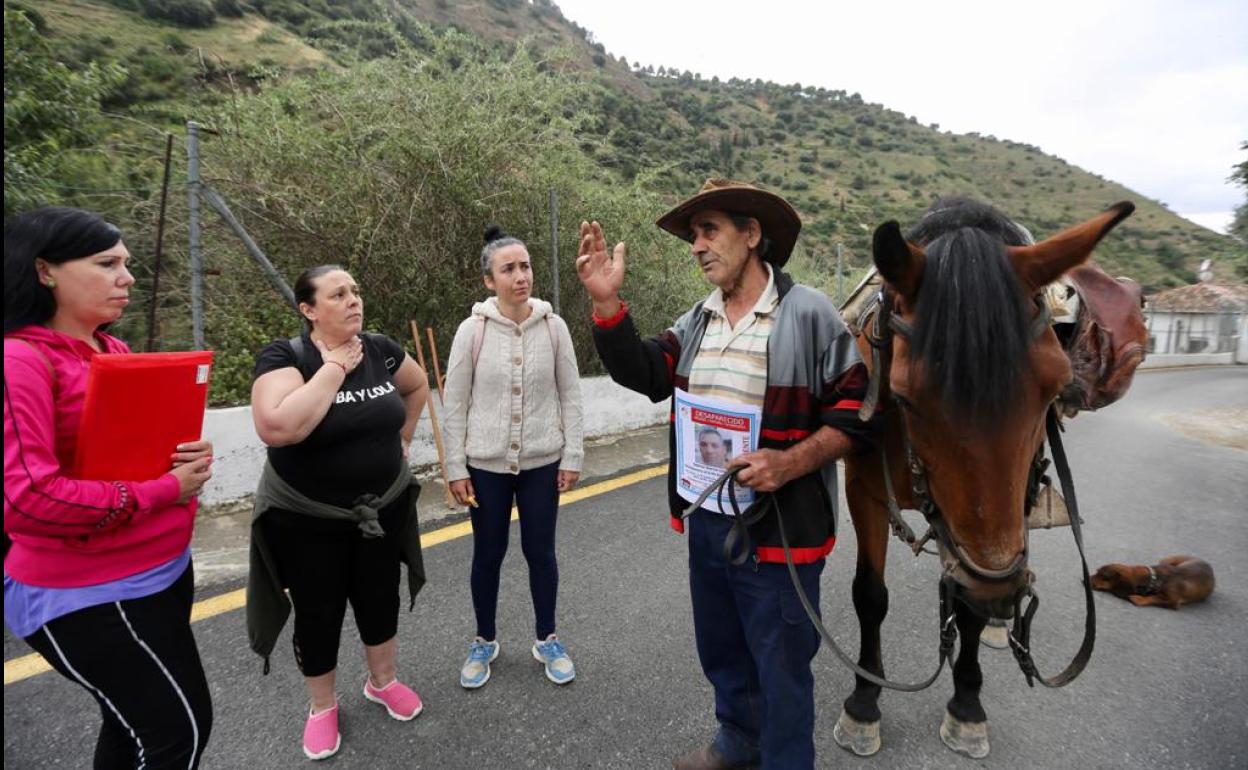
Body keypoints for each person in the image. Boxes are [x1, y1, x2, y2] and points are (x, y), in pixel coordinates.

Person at [575, 179, 875, 770]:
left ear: (752, 234)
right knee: (722, 649)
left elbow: (857, 414)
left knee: (782, 667)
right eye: (694, 235)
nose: (697, 246)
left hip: (780, 532)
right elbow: (648, 372)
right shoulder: (699, 320)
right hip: (709, 522)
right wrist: (607, 304)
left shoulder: (808, 312)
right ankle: (738, 741)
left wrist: (788, 463)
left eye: (709, 230)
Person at [3, 206, 215, 769]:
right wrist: (162, 491)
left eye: (126, 263)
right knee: (179, 733)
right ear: (44, 270)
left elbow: (130, 456)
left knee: (131, 727)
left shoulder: (111, 351)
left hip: (160, 571)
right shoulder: (19, 360)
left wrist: (186, 459)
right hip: (89, 591)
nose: (128, 278)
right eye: (106, 264)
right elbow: (27, 499)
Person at [247, 265, 430, 761]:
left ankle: (382, 681)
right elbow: (277, 426)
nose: (353, 300)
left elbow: (417, 385)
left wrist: (405, 436)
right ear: (308, 309)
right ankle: (322, 706)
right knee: (318, 612)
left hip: (381, 509)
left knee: (379, 599)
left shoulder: (381, 348)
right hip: (308, 520)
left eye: (355, 291)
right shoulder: (288, 357)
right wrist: (333, 368)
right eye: (338, 294)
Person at [442, 225, 584, 690]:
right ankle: (484, 640)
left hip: (543, 462)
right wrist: (455, 468)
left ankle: (548, 638)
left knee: (541, 552)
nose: (521, 276)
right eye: (508, 269)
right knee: (488, 553)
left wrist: (572, 454)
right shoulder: (472, 331)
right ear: (490, 280)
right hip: (485, 467)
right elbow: (455, 403)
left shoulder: (554, 327)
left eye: (525, 266)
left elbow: (571, 396)